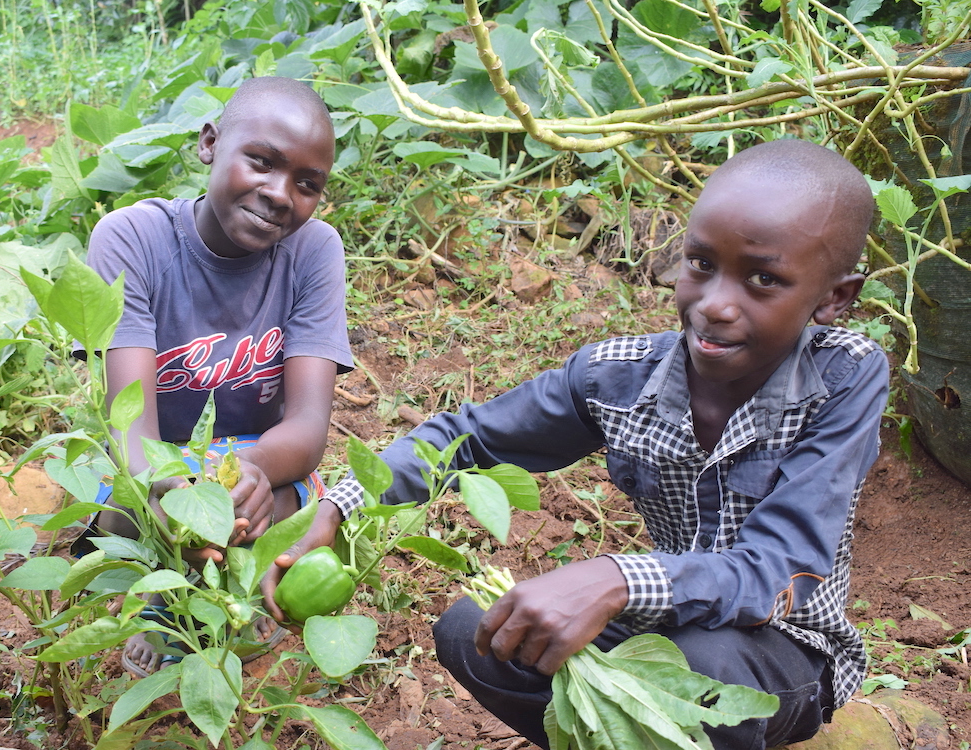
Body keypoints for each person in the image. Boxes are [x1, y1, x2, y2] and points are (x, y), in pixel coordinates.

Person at [263, 139, 887, 749]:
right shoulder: (618, 376)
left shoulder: (843, 379)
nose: (717, 304)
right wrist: (339, 507)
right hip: (657, 628)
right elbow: (465, 437)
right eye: (701, 264)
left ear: (834, 297)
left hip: (781, 650)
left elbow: (779, 572)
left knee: (700, 671)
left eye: (762, 279)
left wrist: (614, 578)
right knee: (473, 634)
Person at [82, 76, 353, 676]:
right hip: (161, 462)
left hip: (260, 463)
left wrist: (250, 474)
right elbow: (131, 426)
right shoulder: (134, 240)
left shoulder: (313, 251)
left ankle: (235, 580)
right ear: (210, 144)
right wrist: (178, 492)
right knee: (127, 513)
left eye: (307, 184)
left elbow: (307, 427)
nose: (281, 195)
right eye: (261, 162)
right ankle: (167, 600)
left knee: (286, 507)